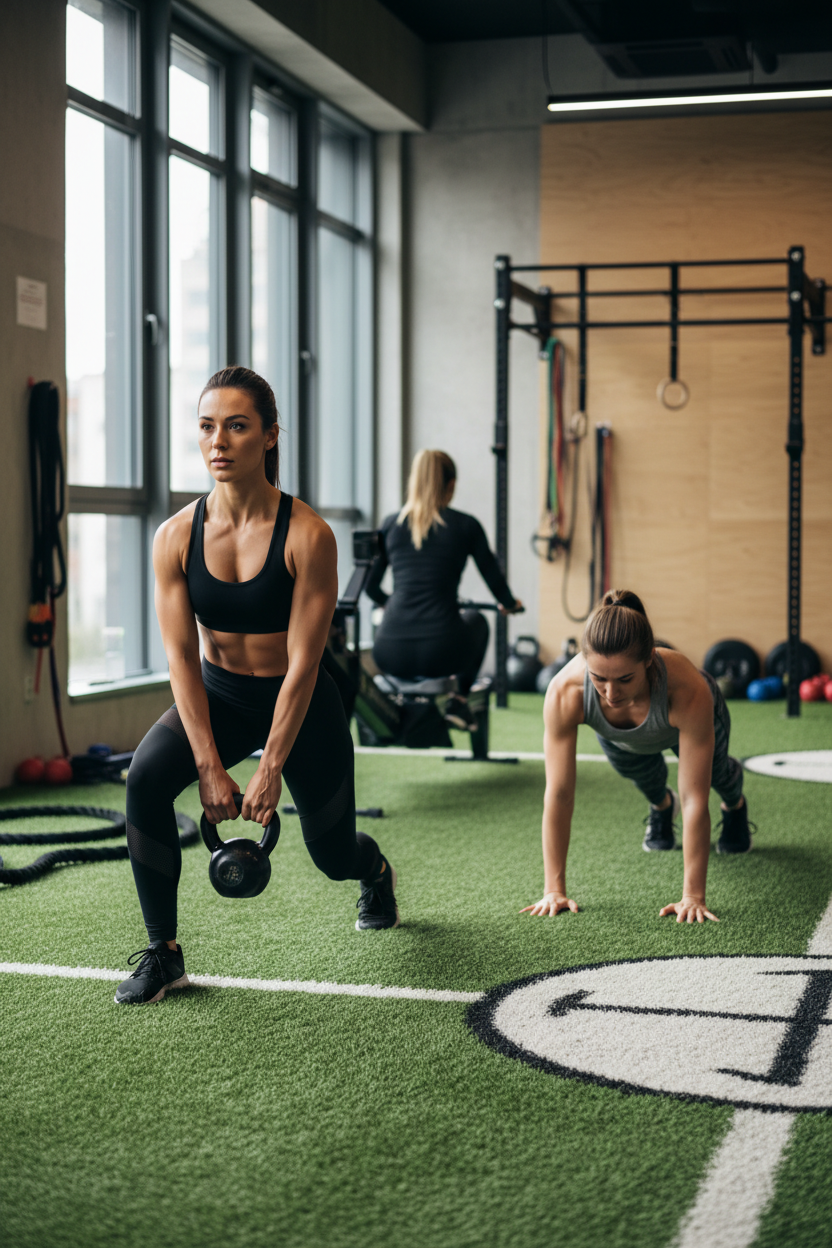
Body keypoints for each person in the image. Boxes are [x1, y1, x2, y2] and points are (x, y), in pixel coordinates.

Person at [115, 366, 398, 1006]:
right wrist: (210, 764)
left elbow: (303, 664)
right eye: (208, 427)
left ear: (269, 437)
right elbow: (182, 658)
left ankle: (375, 871)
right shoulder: (174, 538)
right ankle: (163, 953)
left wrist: (269, 767)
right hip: (219, 695)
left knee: (330, 854)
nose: (219, 441)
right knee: (145, 779)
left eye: (237, 427)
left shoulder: (307, 535)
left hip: (299, 704)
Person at [522, 589, 752, 926]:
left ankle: (735, 806)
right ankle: (661, 806)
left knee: (718, 777)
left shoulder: (686, 688)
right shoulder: (565, 692)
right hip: (621, 736)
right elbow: (558, 793)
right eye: (598, 679)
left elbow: (692, 798)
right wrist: (553, 889)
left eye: (624, 679)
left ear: (648, 660)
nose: (611, 693)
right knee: (643, 776)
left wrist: (693, 896)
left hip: (681, 719)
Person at [366, 449, 523, 729]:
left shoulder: (391, 525)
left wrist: (391, 605)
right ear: (450, 485)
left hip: (389, 651)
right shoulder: (466, 525)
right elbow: (494, 580)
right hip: (443, 652)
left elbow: (370, 587)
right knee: (478, 621)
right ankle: (459, 701)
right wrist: (510, 604)